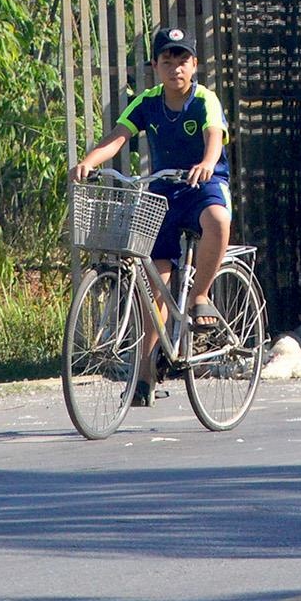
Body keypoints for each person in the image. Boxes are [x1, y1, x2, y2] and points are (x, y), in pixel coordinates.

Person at [74, 28, 235, 399]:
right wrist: (88, 162)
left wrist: (208, 164)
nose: (175, 67)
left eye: (182, 60)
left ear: (194, 65)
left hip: (201, 185)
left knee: (218, 220)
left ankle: (200, 296)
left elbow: (214, 137)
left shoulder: (204, 100)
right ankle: (144, 374)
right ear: (155, 67)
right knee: (153, 284)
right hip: (162, 191)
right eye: (167, 60)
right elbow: (117, 137)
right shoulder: (147, 102)